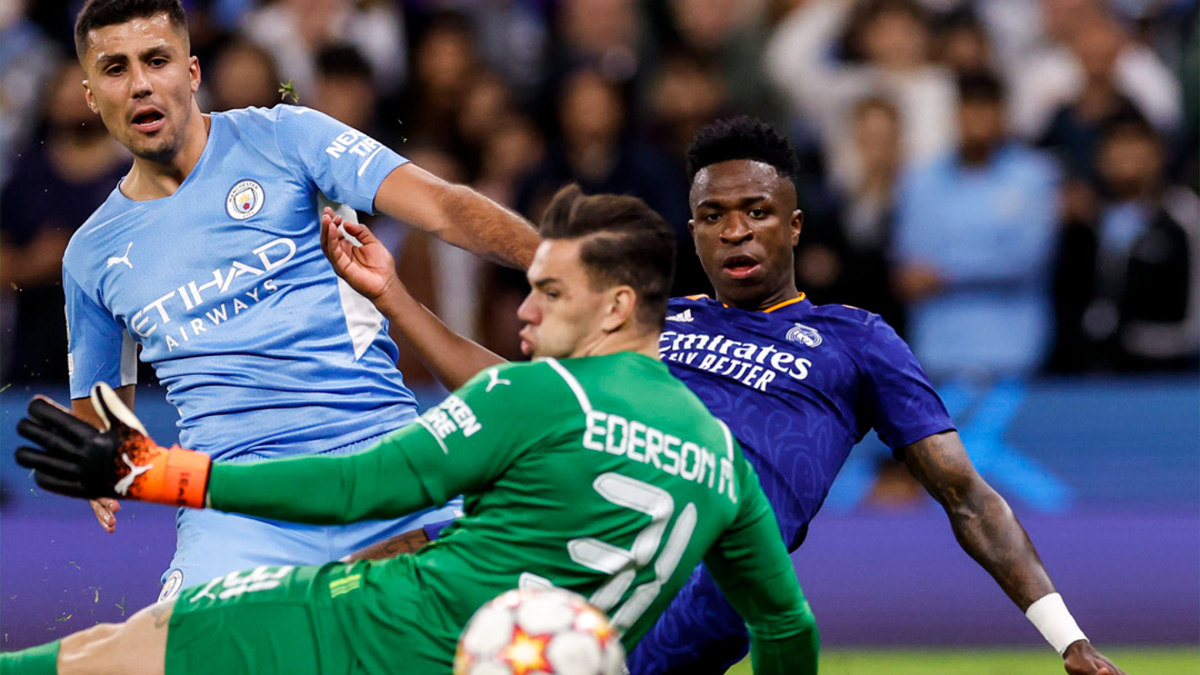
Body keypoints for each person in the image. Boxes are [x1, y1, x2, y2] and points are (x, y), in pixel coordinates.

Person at [337, 116, 1126, 675]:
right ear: (693, 230)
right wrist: (395, 298)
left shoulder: (855, 337)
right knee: (373, 577)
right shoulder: (654, 319)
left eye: (757, 213)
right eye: (714, 216)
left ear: (794, 226)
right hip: (576, 536)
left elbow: (967, 495)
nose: (736, 231)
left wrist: (1068, 638)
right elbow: (510, 400)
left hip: (703, 574)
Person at [5, 186, 819, 675]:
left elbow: (356, 486)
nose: (525, 311)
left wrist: (151, 472)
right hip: (477, 648)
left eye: (551, 294)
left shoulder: (539, 396)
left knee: (86, 661)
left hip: (348, 636)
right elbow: (787, 624)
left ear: (616, 307)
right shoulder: (721, 458)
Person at [61, 0, 539, 600]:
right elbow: (104, 415)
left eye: (156, 60)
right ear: (89, 93)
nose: (139, 84)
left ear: (191, 72)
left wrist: (554, 260)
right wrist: (103, 464)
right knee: (176, 654)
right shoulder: (91, 255)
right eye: (114, 69)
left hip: (383, 462)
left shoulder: (288, 137)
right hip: (236, 504)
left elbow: (443, 207)